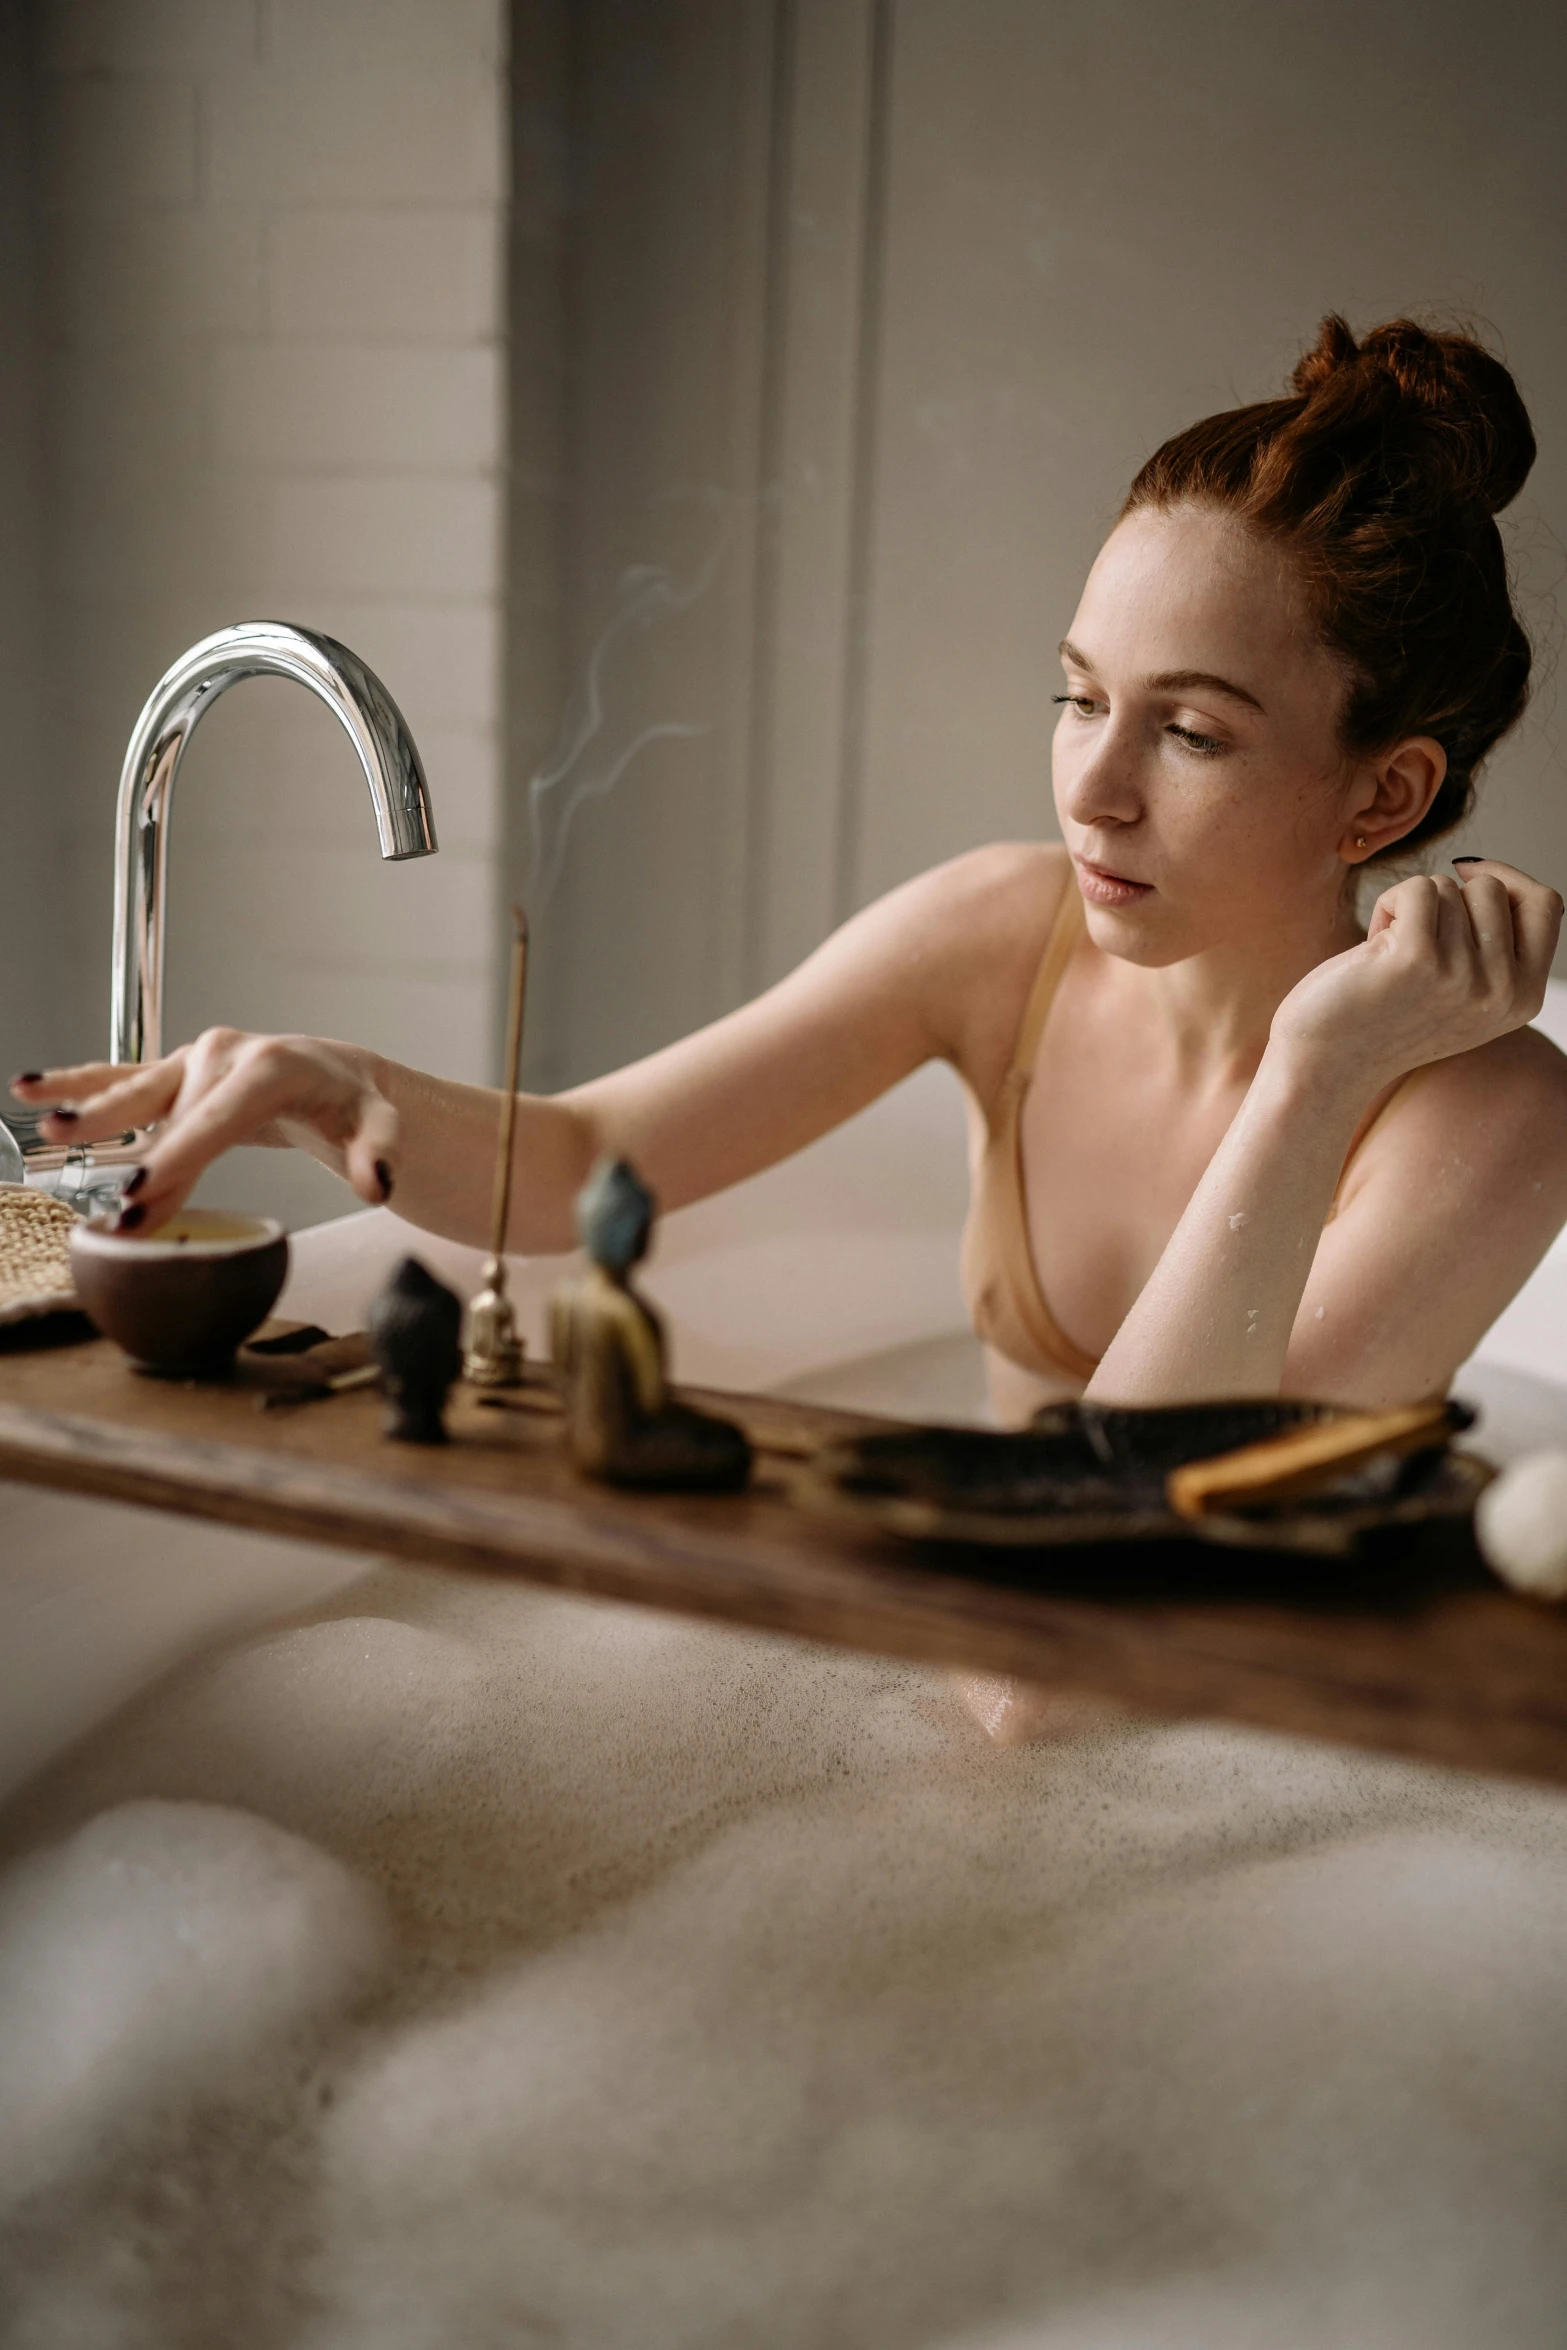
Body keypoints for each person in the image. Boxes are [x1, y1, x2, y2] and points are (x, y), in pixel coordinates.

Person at [15, 317, 1567, 1427]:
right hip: (991, 1718)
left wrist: (1311, 1071)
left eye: (1192, 735)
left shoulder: (1489, 1114)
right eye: (1080, 697)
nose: (1090, 788)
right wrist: (325, 1078)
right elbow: (584, 1161)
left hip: (1230, 1793)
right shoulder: (999, 934)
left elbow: (1164, 1527)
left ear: (1382, 797)